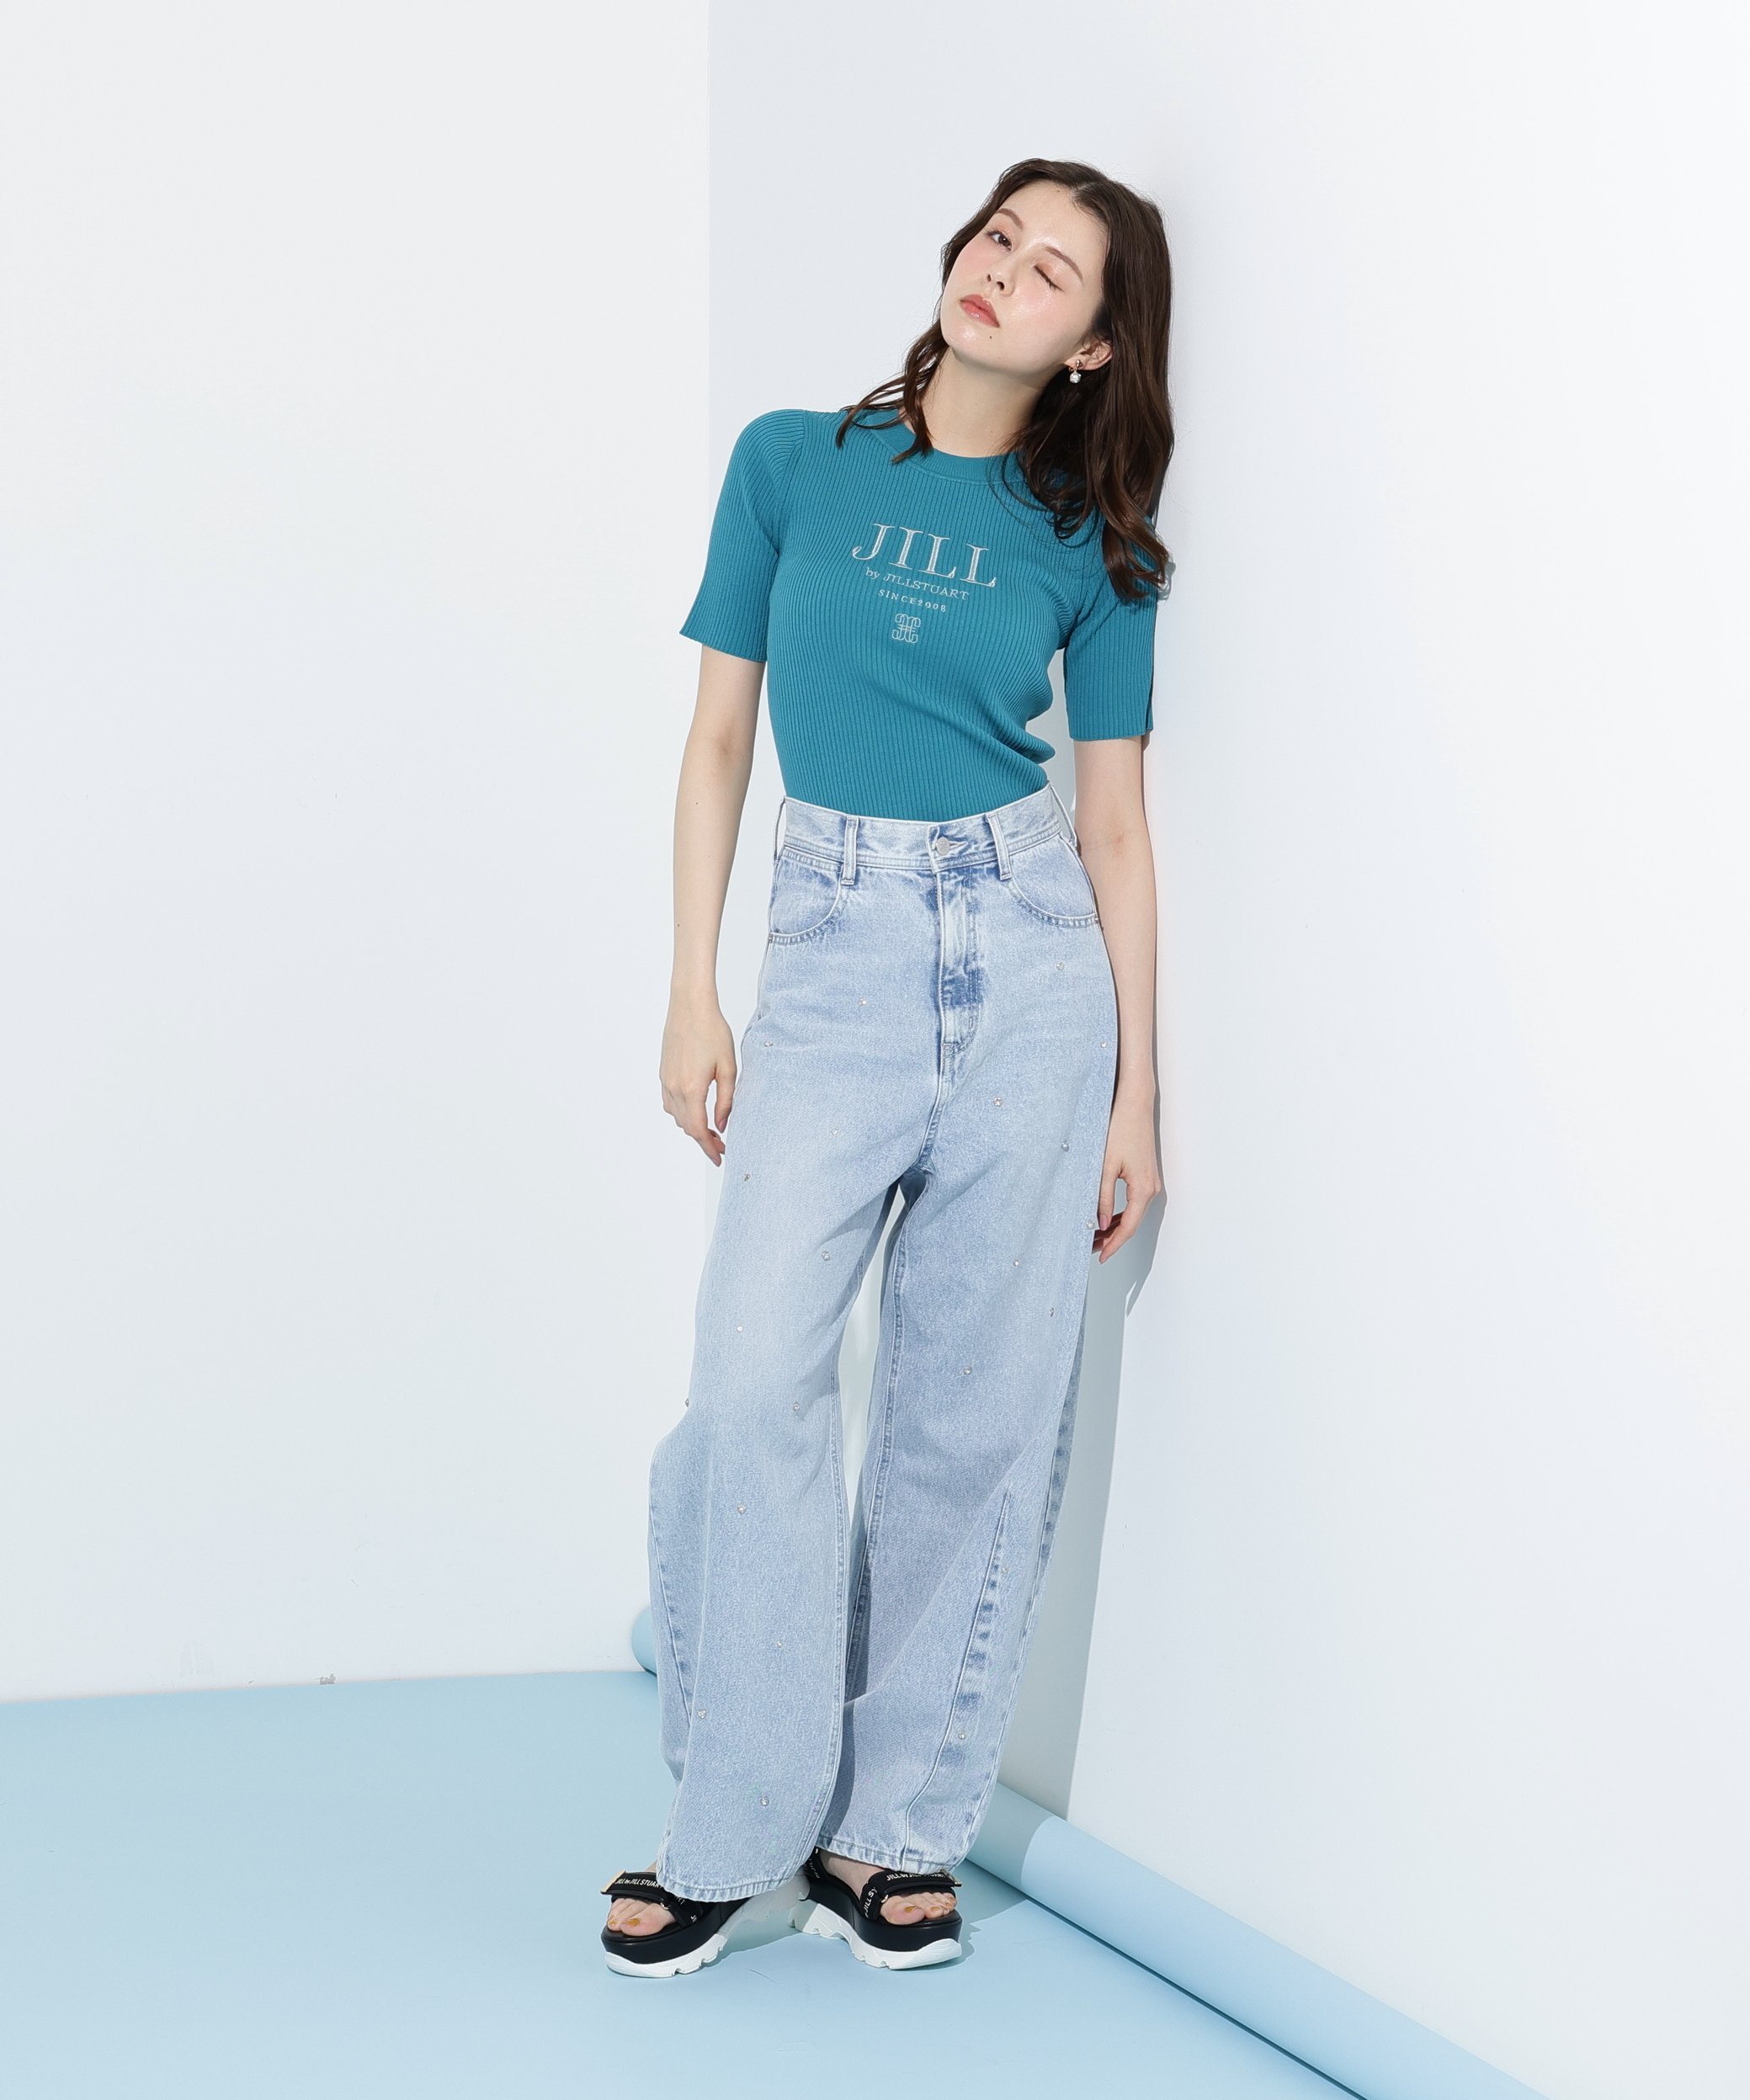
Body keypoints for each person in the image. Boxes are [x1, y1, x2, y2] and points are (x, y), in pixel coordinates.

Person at [601, 157, 1173, 1978]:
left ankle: (893, 1831)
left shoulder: (1095, 546)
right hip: (833, 950)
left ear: (1091, 349)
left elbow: (1112, 827)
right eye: (1000, 235)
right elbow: (716, 741)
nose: (1006, 271)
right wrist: (691, 992)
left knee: (972, 1411)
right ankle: (733, 1826)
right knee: (749, 1380)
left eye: (1053, 269)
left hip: (1028, 964)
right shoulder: (791, 463)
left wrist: (1135, 1096)